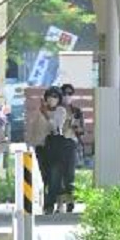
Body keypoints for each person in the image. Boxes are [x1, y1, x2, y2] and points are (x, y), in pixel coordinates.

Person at [46, 83, 82, 212]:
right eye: (65, 93)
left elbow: (81, 130)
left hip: (70, 144)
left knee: (69, 176)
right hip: (56, 145)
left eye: (70, 93)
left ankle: (70, 203)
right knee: (56, 175)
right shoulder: (55, 110)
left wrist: (75, 126)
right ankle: (57, 204)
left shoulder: (76, 111)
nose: (67, 96)